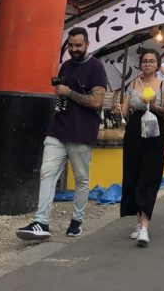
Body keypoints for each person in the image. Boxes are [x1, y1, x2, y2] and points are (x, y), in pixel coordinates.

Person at [16, 27, 108, 241]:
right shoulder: (65, 66)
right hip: (58, 127)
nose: (74, 49)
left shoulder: (96, 68)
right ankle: (41, 221)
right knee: (47, 172)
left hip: (82, 131)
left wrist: (69, 93)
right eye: (71, 45)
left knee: (81, 179)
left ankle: (77, 220)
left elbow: (96, 102)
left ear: (86, 45)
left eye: (78, 45)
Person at [120, 48, 164, 247]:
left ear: (157, 65)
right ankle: (139, 220)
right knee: (133, 174)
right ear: (140, 64)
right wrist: (120, 110)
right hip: (134, 131)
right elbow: (125, 111)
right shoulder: (133, 83)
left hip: (155, 131)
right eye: (144, 61)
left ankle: (145, 227)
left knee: (150, 176)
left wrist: (154, 105)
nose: (147, 64)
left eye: (151, 61)